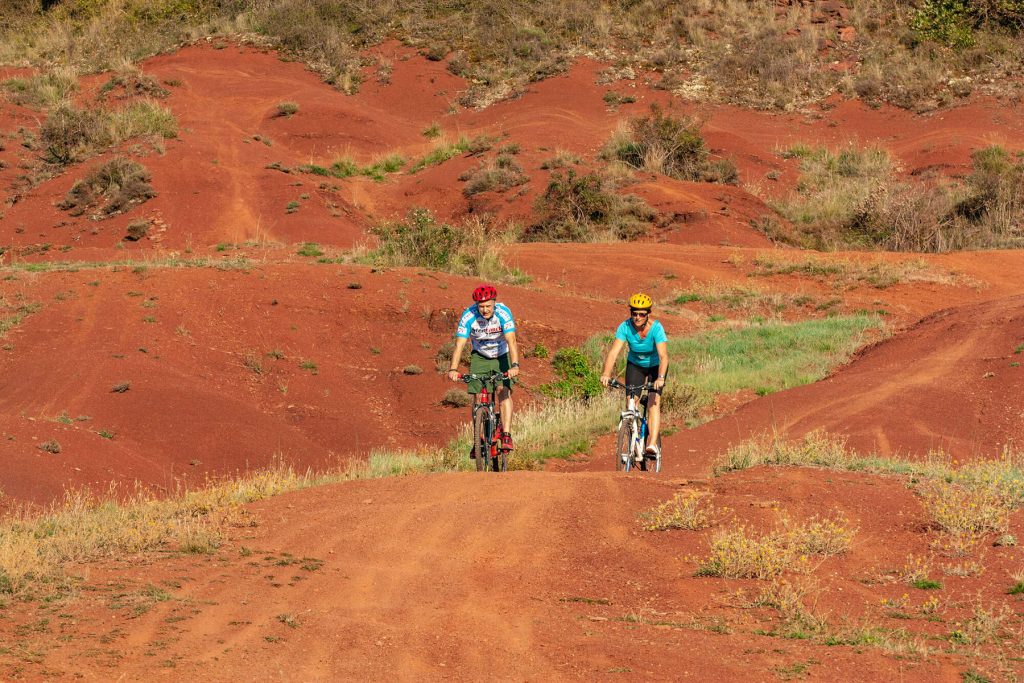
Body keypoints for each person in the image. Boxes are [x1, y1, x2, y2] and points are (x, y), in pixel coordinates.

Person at [447, 284, 521, 451]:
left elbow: (512, 340)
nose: (485, 310)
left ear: (494, 303)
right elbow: (459, 345)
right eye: (481, 306)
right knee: (478, 398)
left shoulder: (503, 313)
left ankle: (507, 434)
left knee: (503, 390)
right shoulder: (468, 316)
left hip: (501, 355)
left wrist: (514, 365)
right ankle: (479, 439)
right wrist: (453, 369)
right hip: (480, 356)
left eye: (488, 306)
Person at [599, 292, 669, 460]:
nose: (637, 317)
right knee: (631, 402)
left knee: (653, 402)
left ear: (648, 314)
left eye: (642, 314)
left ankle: (652, 444)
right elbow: (614, 353)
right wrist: (606, 374)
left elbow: (663, 356)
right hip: (635, 365)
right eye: (634, 313)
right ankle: (632, 436)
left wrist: (660, 378)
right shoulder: (624, 327)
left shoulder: (656, 328)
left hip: (655, 367)